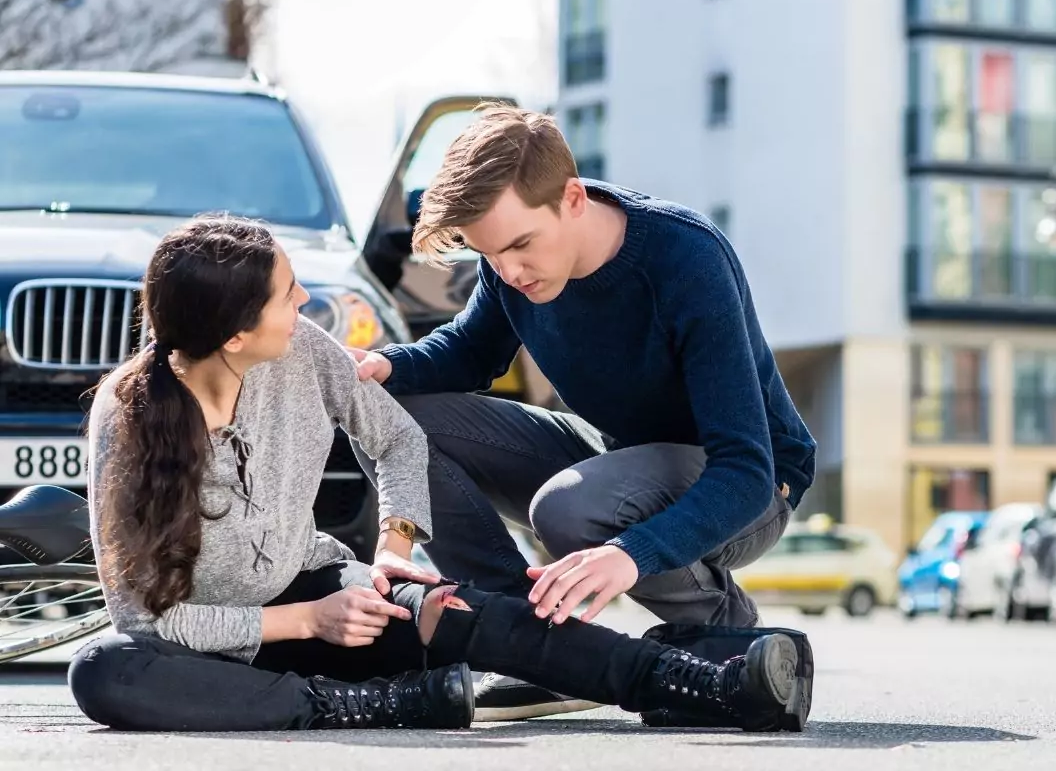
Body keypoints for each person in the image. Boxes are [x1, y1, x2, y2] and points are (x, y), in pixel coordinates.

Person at [66, 214, 804, 734]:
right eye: (286, 296)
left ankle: (708, 679)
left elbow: (399, 439)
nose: (302, 304)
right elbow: (146, 619)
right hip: (211, 642)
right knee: (104, 669)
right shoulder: (126, 424)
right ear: (233, 334)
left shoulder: (304, 353)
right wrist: (299, 623)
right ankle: (360, 705)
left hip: (322, 595)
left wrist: (393, 545)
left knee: (463, 611)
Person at [348, 105, 818, 724]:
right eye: (489, 256)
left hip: (751, 487)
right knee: (385, 414)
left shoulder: (686, 259)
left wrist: (632, 553)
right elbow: (468, 353)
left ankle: (723, 633)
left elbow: (745, 470)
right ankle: (532, 642)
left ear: (572, 199)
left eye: (520, 245)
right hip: (616, 459)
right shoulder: (510, 270)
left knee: (571, 509)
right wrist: (386, 369)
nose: (509, 271)